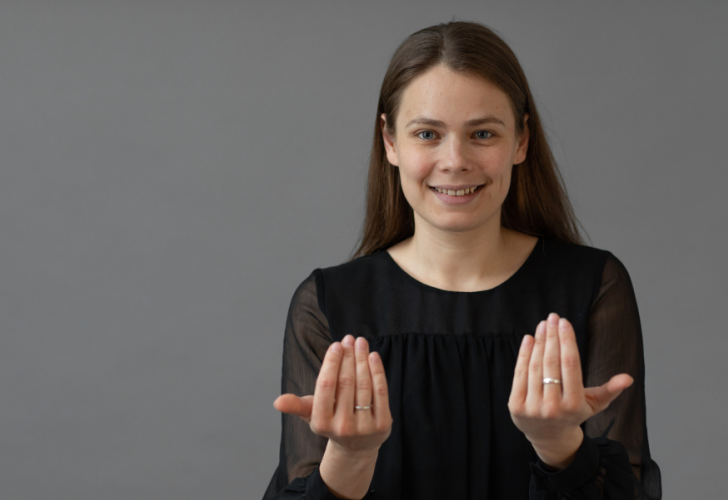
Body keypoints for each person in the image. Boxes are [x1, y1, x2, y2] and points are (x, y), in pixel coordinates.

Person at [261, 21, 661, 500]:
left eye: (483, 133)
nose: (455, 161)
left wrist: (560, 447)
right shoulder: (327, 305)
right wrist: (349, 458)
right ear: (390, 142)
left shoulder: (594, 286)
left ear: (521, 141)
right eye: (427, 133)